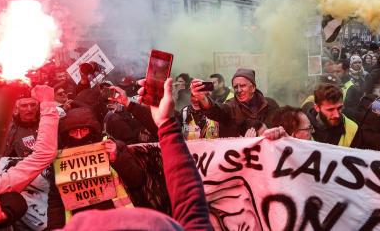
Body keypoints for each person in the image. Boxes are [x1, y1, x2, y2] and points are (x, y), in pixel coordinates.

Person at [55, 77, 211, 230]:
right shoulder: (60, 158)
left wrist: (117, 159)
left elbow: (138, 178)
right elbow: (54, 202)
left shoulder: (114, 144)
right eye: (74, 132)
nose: (80, 135)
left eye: (84, 130)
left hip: (127, 216)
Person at [191, 68, 279, 137]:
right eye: (235, 87)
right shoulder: (230, 107)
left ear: (253, 88)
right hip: (238, 157)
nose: (239, 90)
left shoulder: (270, 105)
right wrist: (203, 99)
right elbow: (215, 110)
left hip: (267, 156)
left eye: (243, 85)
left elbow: (281, 130)